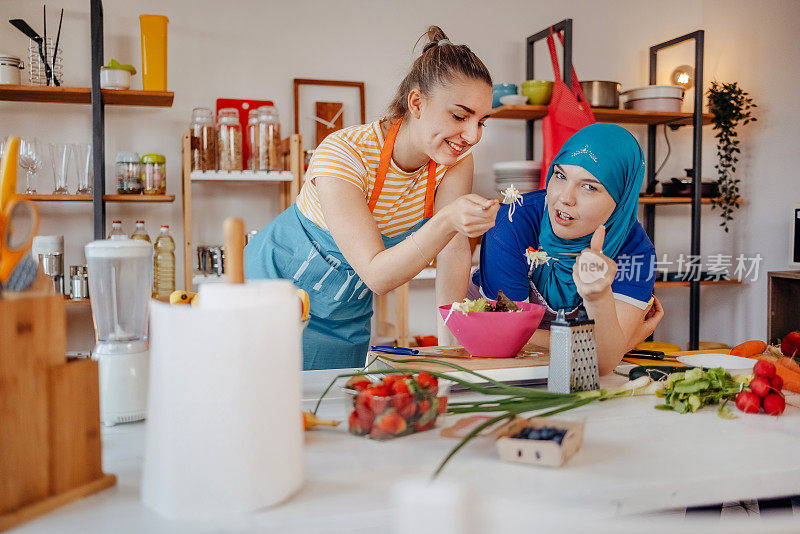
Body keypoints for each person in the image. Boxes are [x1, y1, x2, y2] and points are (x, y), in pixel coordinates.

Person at [246, 26, 499, 370]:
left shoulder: (453, 161)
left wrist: (448, 347)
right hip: (271, 294)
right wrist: (448, 219)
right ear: (416, 103)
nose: (472, 135)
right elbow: (377, 276)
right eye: (459, 116)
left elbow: (453, 249)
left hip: (344, 315)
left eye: (482, 121)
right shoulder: (343, 152)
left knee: (331, 413)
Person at [471, 123, 664, 374]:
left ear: (621, 199)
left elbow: (602, 364)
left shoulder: (636, 252)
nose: (565, 197)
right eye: (560, 176)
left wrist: (599, 296)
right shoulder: (511, 221)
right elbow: (507, 335)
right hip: (491, 361)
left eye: (589, 186)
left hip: (567, 374)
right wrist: (622, 341)